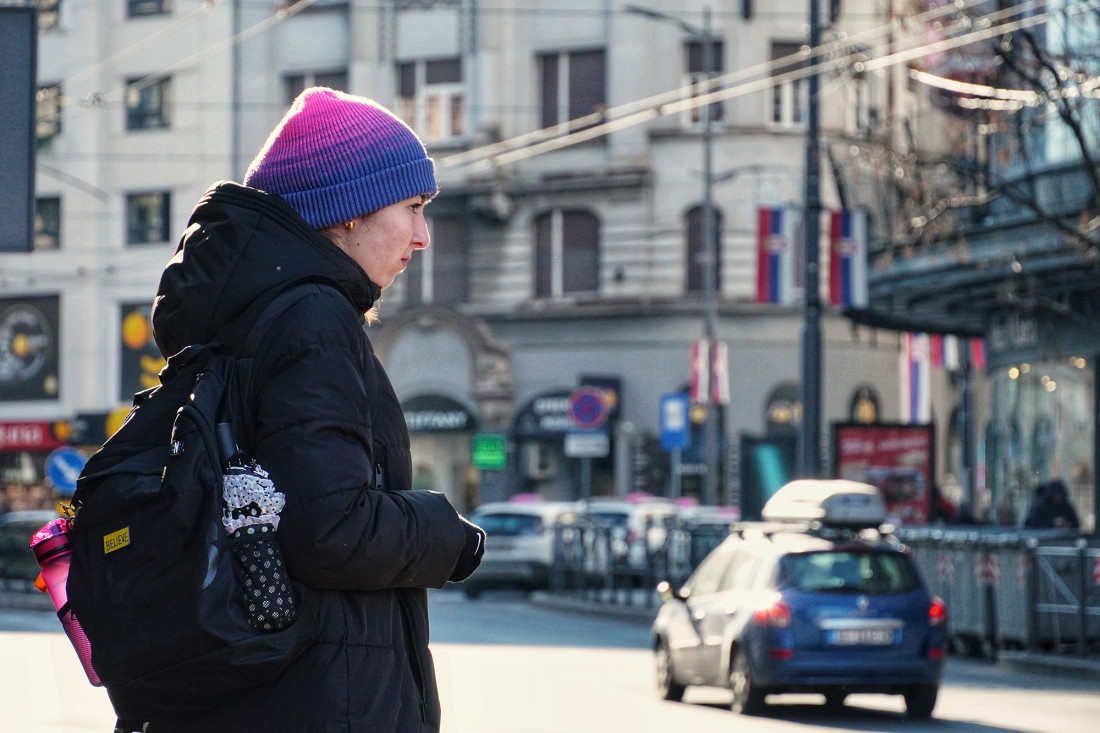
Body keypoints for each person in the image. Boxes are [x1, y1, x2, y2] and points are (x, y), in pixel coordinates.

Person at [147, 87, 485, 732]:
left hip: (258, 693)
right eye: (413, 208)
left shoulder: (252, 313)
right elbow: (329, 527)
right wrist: (448, 533)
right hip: (326, 697)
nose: (423, 237)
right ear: (348, 213)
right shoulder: (313, 318)